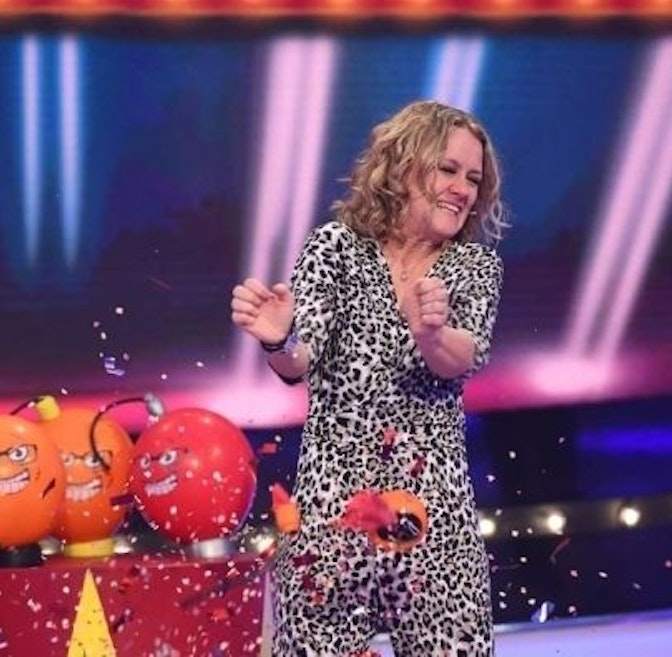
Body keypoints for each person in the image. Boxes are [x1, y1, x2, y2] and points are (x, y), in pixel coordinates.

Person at [231, 100, 508, 656]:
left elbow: (464, 354)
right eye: (448, 170)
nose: (463, 190)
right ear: (403, 166)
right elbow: (298, 362)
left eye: (474, 179)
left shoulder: (475, 266)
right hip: (333, 518)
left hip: (434, 524)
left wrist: (430, 334)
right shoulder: (335, 248)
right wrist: (278, 338)